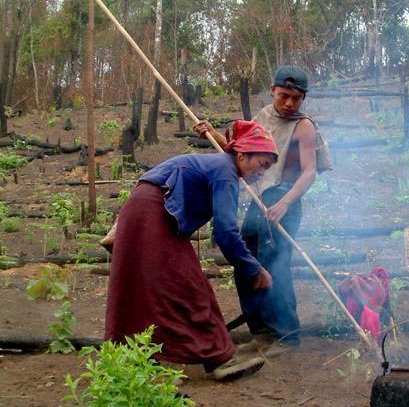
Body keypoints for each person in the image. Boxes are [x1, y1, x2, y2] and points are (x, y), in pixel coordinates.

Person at [104, 120, 278, 382]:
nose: (262, 173)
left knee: (157, 286)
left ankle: (138, 354)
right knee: (190, 287)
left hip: (147, 211)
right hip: (152, 212)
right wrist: (254, 268)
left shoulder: (223, 167)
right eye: (262, 165)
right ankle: (219, 358)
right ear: (242, 154)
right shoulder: (225, 172)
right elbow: (226, 233)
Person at [196, 65, 331, 355]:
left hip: (284, 201)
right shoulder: (263, 118)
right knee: (246, 260)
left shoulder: (303, 126)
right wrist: (212, 133)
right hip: (261, 202)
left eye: (296, 98)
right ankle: (260, 330)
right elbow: (239, 151)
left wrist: (284, 203)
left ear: (303, 97)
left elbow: (309, 172)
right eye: (284, 96)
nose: (289, 103)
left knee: (274, 264)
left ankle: (285, 335)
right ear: (273, 91)